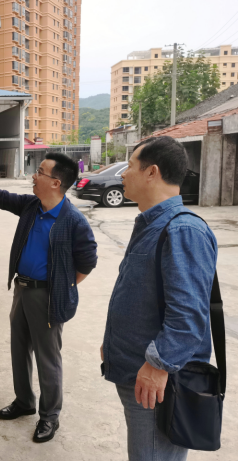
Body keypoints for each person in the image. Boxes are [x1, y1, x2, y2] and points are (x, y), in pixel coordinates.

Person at [0, 153, 98, 443]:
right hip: (22, 289)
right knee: (19, 349)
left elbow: (87, 262)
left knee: (47, 358)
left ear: (56, 183)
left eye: (39, 172)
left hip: (47, 297)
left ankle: (50, 416)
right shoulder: (31, 206)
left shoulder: (73, 221)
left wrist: (61, 287)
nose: (33, 176)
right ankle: (24, 401)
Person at [101, 136, 218, 461]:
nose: (123, 174)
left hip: (156, 382)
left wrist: (158, 364)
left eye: (130, 166)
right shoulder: (153, 225)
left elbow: (188, 315)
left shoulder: (182, 230)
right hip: (137, 373)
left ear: (151, 172)